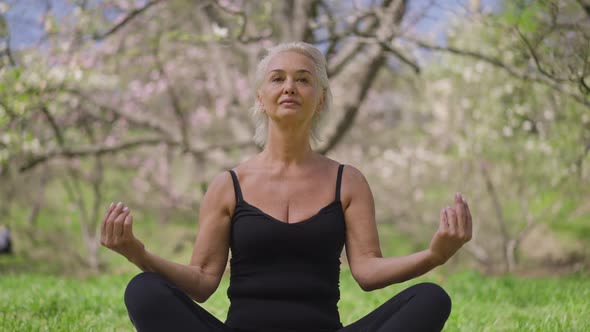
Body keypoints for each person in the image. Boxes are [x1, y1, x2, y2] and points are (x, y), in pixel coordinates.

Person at [100, 42, 473, 332]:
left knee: (430, 298)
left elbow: (367, 272)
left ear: (321, 98)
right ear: (261, 98)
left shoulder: (349, 181)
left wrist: (434, 256)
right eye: (277, 78)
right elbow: (201, 282)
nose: (290, 87)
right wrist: (138, 253)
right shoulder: (229, 185)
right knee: (143, 290)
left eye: (304, 79)